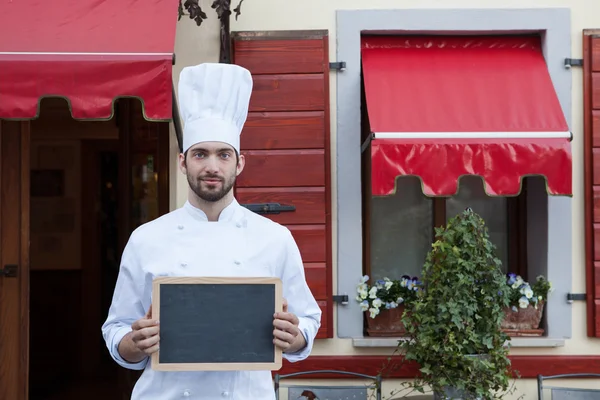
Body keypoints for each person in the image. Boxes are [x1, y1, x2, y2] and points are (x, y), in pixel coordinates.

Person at [101, 62, 322, 399]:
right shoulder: (146, 238)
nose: (212, 166)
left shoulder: (275, 238)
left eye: (223, 155)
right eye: (200, 154)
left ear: (239, 163)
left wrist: (297, 336)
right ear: (182, 162)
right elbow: (117, 331)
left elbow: (306, 319)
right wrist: (135, 342)